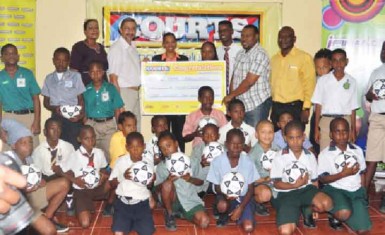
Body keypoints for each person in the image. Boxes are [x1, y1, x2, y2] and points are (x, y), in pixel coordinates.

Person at [1, 119, 69, 234]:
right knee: (48, 230)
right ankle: (33, 223)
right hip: (16, 205)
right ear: (13, 145)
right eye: (23, 143)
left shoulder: (29, 158)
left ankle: (48, 217)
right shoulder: (8, 162)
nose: (28, 146)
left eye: (30, 142)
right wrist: (25, 189)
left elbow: (34, 179)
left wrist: (39, 182)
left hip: (31, 197)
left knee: (64, 183)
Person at [270, 120, 332, 235]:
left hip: (306, 190)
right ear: (285, 138)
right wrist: (294, 185)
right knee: (285, 231)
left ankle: (306, 207)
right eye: (291, 138)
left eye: (298, 137)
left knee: (326, 204)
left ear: (304, 137)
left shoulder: (310, 156)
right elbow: (276, 183)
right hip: (286, 193)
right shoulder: (279, 156)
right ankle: (293, 210)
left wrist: (314, 203)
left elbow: (314, 182)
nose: (295, 142)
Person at [318, 118, 371, 233]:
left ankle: (352, 212)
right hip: (336, 190)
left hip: (355, 192)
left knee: (363, 229)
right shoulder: (325, 154)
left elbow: (362, 173)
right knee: (343, 213)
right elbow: (323, 179)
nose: (342, 135)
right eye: (337, 131)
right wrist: (343, 174)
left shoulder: (357, 150)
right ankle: (334, 215)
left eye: (345, 131)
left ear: (350, 132)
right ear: (331, 134)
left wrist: (364, 191)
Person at [207, 128, 260, 233]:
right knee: (222, 205)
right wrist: (225, 194)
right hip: (225, 196)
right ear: (226, 144)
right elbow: (216, 186)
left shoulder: (248, 162)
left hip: (244, 199)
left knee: (248, 227)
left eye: (240, 144)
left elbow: (250, 189)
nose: (236, 147)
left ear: (243, 145)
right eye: (232, 143)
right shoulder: (217, 161)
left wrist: (241, 208)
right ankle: (223, 213)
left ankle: (241, 212)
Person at [155, 131, 209, 231]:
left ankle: (182, 215)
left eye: (168, 145)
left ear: (176, 144)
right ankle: (170, 213)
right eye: (163, 148)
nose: (166, 150)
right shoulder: (161, 166)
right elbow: (156, 189)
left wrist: (190, 179)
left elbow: (201, 182)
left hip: (189, 200)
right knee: (167, 184)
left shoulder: (191, 161)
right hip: (172, 201)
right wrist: (167, 180)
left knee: (204, 222)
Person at [61, 125, 111, 228]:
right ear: (79, 139)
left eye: (93, 137)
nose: (90, 141)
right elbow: (60, 169)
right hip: (82, 191)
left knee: (114, 180)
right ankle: (76, 203)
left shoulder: (99, 153)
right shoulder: (74, 156)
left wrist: (103, 175)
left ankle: (109, 205)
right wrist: (74, 180)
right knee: (85, 223)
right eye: (86, 139)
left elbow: (103, 168)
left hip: (97, 187)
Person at [222, 24, 271, 128]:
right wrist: (231, 101)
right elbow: (234, 78)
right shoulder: (240, 53)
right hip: (241, 106)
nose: (244, 39)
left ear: (256, 37)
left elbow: (249, 82)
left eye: (248, 36)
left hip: (256, 104)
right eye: (242, 36)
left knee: (254, 137)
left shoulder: (260, 54)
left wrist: (231, 95)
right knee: (243, 138)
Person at [312, 49, 359, 151]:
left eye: (341, 60)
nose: (338, 63)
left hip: (345, 121)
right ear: (331, 63)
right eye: (335, 60)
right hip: (326, 122)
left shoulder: (352, 81)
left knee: (344, 153)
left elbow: (353, 108)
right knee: (325, 152)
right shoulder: (323, 80)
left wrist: (353, 129)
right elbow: (318, 105)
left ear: (346, 61)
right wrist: (316, 129)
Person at [270, 26, 316, 131]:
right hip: (277, 107)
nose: (283, 40)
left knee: (295, 139)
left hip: (295, 107)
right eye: (280, 37)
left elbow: (309, 84)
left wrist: (306, 108)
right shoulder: (274, 59)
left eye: (287, 37)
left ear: (294, 39)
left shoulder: (304, 57)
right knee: (277, 140)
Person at [109, 132, 155, 235]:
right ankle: (124, 218)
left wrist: (151, 181)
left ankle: (134, 221)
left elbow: (150, 186)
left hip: (141, 202)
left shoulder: (147, 162)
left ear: (144, 146)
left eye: (138, 146)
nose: (135, 150)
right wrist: (122, 177)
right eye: (131, 147)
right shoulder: (121, 161)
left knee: (147, 232)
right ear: (127, 147)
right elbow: (111, 183)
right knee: (118, 232)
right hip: (123, 203)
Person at [41, 47, 85, 149]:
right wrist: (55, 108)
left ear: (68, 61)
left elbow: (81, 99)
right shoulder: (49, 78)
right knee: (59, 146)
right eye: (58, 60)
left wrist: (81, 115)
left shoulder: (75, 76)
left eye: (64, 61)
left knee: (74, 145)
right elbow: (46, 102)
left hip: (73, 117)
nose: (61, 63)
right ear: (53, 61)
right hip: (57, 117)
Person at [152, 32, 189, 152]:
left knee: (179, 133)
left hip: (179, 103)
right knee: (163, 133)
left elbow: (188, 80)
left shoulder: (184, 60)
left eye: (173, 41)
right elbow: (152, 79)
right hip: (162, 103)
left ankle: (181, 157)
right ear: (163, 44)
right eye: (167, 42)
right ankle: (163, 158)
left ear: (176, 43)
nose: (170, 44)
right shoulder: (156, 60)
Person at [31, 117, 76, 215]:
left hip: (65, 175)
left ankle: (69, 198)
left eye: (59, 129)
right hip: (47, 178)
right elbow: (37, 172)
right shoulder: (38, 151)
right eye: (52, 129)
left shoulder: (68, 147)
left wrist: (66, 172)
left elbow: (74, 165)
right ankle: (51, 204)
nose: (56, 132)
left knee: (69, 176)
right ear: (45, 132)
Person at [0, 43, 41, 149]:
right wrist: (1, 128)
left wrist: (37, 121)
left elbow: (36, 98)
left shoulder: (27, 74)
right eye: (7, 54)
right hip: (9, 117)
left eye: (14, 53)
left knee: (32, 150)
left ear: (18, 57)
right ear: (2, 58)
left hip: (29, 117)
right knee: (9, 151)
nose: (11, 56)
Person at [83, 61, 124, 162]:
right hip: (91, 124)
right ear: (89, 74)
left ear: (103, 72)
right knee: (92, 153)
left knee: (109, 152)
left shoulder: (111, 88)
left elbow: (117, 108)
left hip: (108, 125)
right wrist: (85, 122)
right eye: (92, 72)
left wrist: (119, 125)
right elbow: (83, 107)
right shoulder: (85, 90)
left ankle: (109, 175)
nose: (95, 74)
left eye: (98, 71)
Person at [108, 17, 142, 132]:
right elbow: (113, 79)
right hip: (124, 94)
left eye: (133, 29)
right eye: (127, 29)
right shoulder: (117, 49)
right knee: (125, 131)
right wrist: (119, 104)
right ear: (121, 30)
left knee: (134, 131)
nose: (130, 31)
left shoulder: (132, 47)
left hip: (135, 93)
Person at [364, 41, 385, 212]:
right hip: (377, 118)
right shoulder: (376, 72)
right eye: (383, 49)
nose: (384, 52)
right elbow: (367, 95)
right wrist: (370, 95)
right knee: (371, 157)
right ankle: (363, 194)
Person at [249, 120, 280, 216]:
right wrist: (265, 179)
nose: (267, 135)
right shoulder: (253, 154)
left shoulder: (278, 150)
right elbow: (250, 178)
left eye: (270, 132)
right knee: (265, 195)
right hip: (260, 184)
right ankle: (254, 201)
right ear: (256, 135)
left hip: (276, 184)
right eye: (263, 132)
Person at [70, 19, 108, 86]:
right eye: (91, 28)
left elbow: (105, 69)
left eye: (96, 28)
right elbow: (73, 71)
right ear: (85, 32)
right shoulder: (79, 47)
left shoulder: (101, 48)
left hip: (102, 87)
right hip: (85, 87)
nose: (94, 30)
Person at [310, 48, 332, 155]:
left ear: (331, 65)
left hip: (328, 117)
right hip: (316, 116)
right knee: (315, 145)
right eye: (317, 68)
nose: (320, 71)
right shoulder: (315, 79)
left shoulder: (334, 80)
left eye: (324, 67)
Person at [190, 123, 221, 196]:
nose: (209, 137)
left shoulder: (223, 149)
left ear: (218, 136)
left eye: (212, 134)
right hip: (203, 180)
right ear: (202, 137)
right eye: (206, 134)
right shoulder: (197, 148)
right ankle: (200, 193)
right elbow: (193, 167)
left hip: (217, 180)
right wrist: (201, 164)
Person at [216, 20, 242, 95]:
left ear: (232, 31)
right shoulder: (216, 52)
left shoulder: (240, 51)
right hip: (220, 91)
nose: (222, 33)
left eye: (225, 30)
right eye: (220, 31)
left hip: (236, 91)